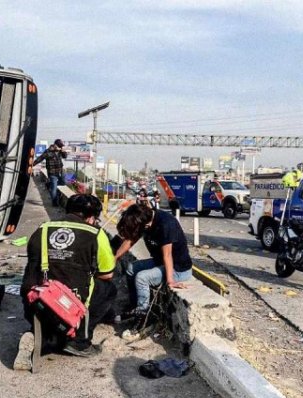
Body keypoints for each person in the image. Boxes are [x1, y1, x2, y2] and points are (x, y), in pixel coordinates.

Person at [17, 194, 116, 362]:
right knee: (108, 289)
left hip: (35, 302)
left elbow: (33, 265)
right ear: (91, 217)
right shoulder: (95, 234)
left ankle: (41, 334)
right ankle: (79, 341)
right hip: (68, 305)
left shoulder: (43, 228)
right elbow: (107, 273)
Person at [115, 204, 192, 316]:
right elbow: (131, 239)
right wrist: (116, 257)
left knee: (142, 277)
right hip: (160, 261)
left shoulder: (166, 223)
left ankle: (142, 312)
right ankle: (134, 305)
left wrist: (170, 281)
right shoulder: (145, 218)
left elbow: (168, 255)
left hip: (177, 268)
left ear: (146, 225)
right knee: (131, 268)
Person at [34, 139, 68, 207]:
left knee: (64, 182)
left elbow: (65, 156)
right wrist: (32, 164)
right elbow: (40, 158)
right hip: (52, 173)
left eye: (60, 146)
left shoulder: (60, 151)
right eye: (59, 146)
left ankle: (50, 184)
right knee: (54, 189)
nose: (60, 147)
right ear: (55, 145)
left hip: (61, 171)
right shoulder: (48, 151)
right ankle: (55, 203)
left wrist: (63, 151)